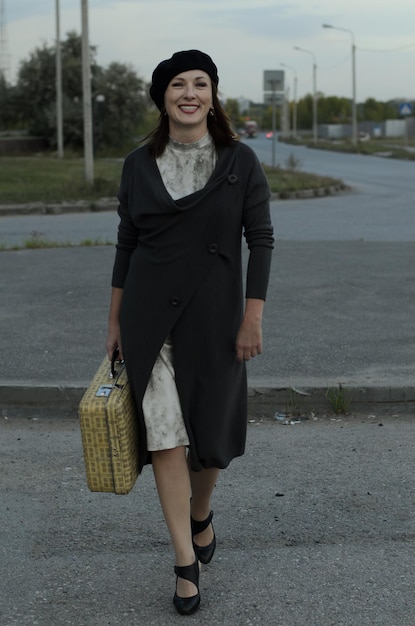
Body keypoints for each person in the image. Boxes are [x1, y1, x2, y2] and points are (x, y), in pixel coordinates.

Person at [106, 49, 274, 616]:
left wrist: (253, 315)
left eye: (200, 83)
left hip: (216, 319)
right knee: (165, 437)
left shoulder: (240, 161)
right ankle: (184, 564)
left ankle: (201, 514)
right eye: (178, 84)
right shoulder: (138, 164)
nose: (189, 93)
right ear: (163, 98)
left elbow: (262, 240)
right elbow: (127, 244)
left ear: (212, 94)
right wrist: (113, 323)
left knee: (208, 444)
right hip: (149, 320)